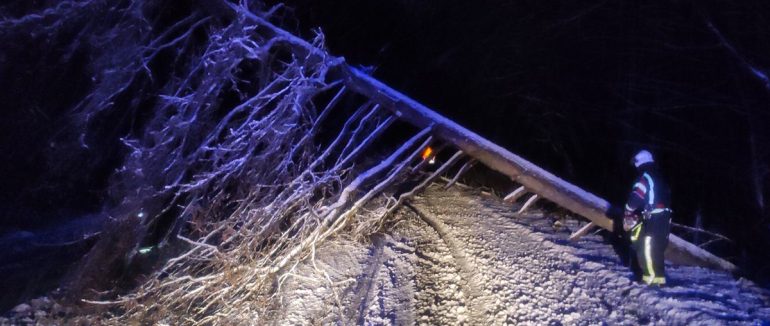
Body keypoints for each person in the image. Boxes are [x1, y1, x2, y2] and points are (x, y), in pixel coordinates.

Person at [623, 150, 672, 286]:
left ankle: (649, 278)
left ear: (639, 161)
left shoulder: (645, 177)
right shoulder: (659, 176)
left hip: (654, 217)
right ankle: (659, 279)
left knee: (647, 246)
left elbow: (636, 197)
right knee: (657, 247)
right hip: (665, 216)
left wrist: (628, 210)